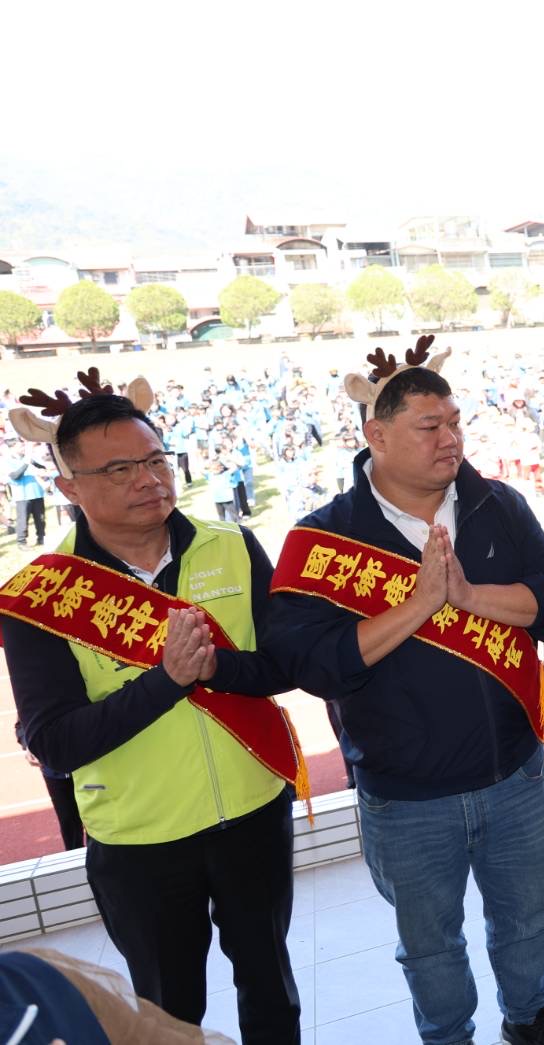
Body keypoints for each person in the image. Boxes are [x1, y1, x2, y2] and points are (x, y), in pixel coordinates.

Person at [267, 340, 544, 1045]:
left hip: (512, 773)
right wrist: (416, 606)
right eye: (428, 426)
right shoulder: (322, 539)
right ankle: (448, 1035)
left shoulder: (495, 504)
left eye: (455, 422)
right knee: (431, 944)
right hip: (405, 796)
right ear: (375, 435)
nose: (450, 439)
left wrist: (469, 596)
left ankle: (530, 1016)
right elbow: (309, 662)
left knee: (529, 915)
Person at [0, 375, 303, 1043]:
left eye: (156, 460)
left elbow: (284, 666)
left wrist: (213, 666)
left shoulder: (233, 545)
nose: (149, 480)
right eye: (119, 469)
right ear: (69, 487)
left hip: (253, 811)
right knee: (167, 1013)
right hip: (141, 842)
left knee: (271, 987)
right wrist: (166, 681)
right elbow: (54, 741)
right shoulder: (40, 597)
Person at [15, 720, 83, 851]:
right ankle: (74, 861)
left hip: (86, 766)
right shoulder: (31, 699)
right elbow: (21, 725)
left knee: (97, 818)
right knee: (68, 821)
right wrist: (28, 744)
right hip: (53, 771)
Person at [7, 445, 47, 546]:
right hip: (22, 496)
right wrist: (26, 464)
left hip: (36, 493)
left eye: (23, 447)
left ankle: (41, 538)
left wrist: (36, 465)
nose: (23, 449)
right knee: (23, 521)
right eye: (20, 447)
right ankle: (22, 542)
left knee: (40, 518)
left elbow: (44, 468)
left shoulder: (29, 458)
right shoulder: (8, 461)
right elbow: (15, 476)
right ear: (12, 448)